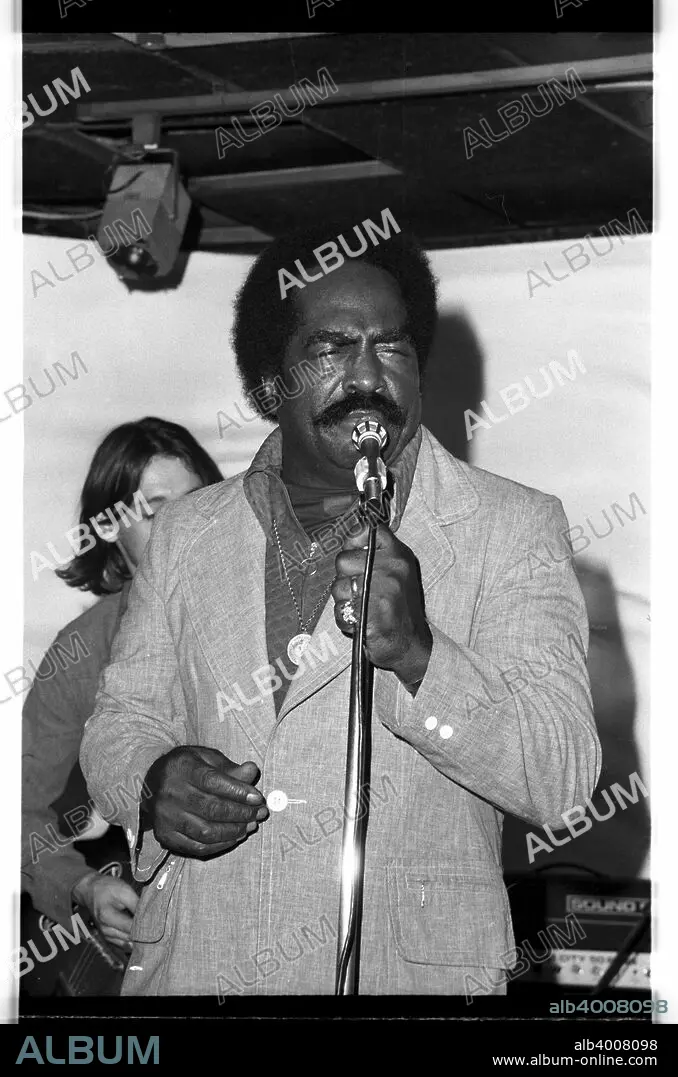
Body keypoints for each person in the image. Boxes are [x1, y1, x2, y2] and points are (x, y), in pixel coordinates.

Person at [80, 222, 601, 996]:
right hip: (200, 972)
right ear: (269, 382)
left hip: (401, 984)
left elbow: (562, 779)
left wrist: (421, 657)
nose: (367, 375)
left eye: (392, 348)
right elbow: (117, 725)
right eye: (331, 348)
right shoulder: (188, 531)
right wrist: (154, 783)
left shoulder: (513, 527)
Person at [22, 417, 223, 977]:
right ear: (109, 527)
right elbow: (16, 808)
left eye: (196, 502)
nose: (182, 524)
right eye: (155, 511)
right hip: (149, 938)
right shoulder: (81, 651)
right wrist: (81, 885)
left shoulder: (267, 620)